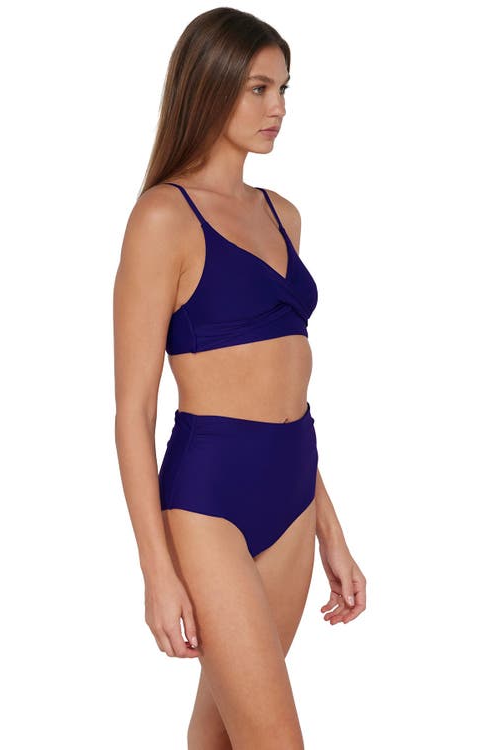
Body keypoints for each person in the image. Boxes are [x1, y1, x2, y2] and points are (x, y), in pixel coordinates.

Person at [113, 7, 366, 749]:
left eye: (283, 88)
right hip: (208, 500)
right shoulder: (162, 218)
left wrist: (331, 532)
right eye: (258, 88)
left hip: (293, 490)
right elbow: (133, 412)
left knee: (220, 734)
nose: (277, 107)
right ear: (210, 86)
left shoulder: (284, 215)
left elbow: (289, 394)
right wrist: (156, 572)